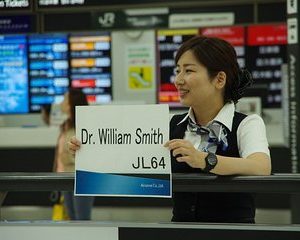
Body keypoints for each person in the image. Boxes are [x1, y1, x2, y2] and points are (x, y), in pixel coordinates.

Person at [68, 36, 271, 223]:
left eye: (188, 70)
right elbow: (129, 159)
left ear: (219, 79)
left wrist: (205, 160)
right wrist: (90, 150)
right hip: (180, 232)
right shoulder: (172, 125)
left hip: (234, 234)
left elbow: (261, 167)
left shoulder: (247, 123)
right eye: (177, 70)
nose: (178, 80)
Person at [54, 88, 94, 220]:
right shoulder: (66, 125)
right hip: (65, 177)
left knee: (81, 217)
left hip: (82, 177)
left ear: (72, 103)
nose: (61, 103)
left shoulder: (86, 126)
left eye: (65, 99)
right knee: (71, 216)